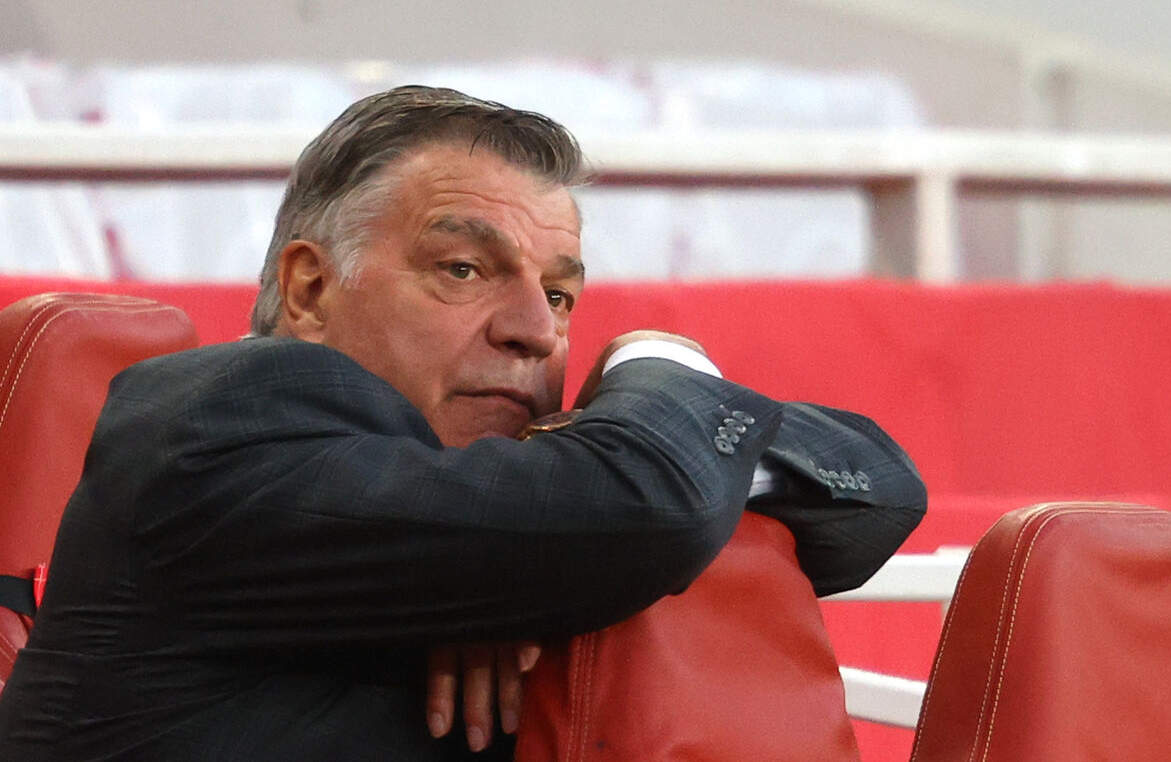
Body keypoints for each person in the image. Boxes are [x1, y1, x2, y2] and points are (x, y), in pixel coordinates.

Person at [0, 86, 926, 760]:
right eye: (463, 271)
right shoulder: (221, 418)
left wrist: (526, 538)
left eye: (559, 295)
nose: (534, 331)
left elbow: (876, 491)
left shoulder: (511, 505)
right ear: (310, 288)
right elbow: (652, 508)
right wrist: (558, 512)